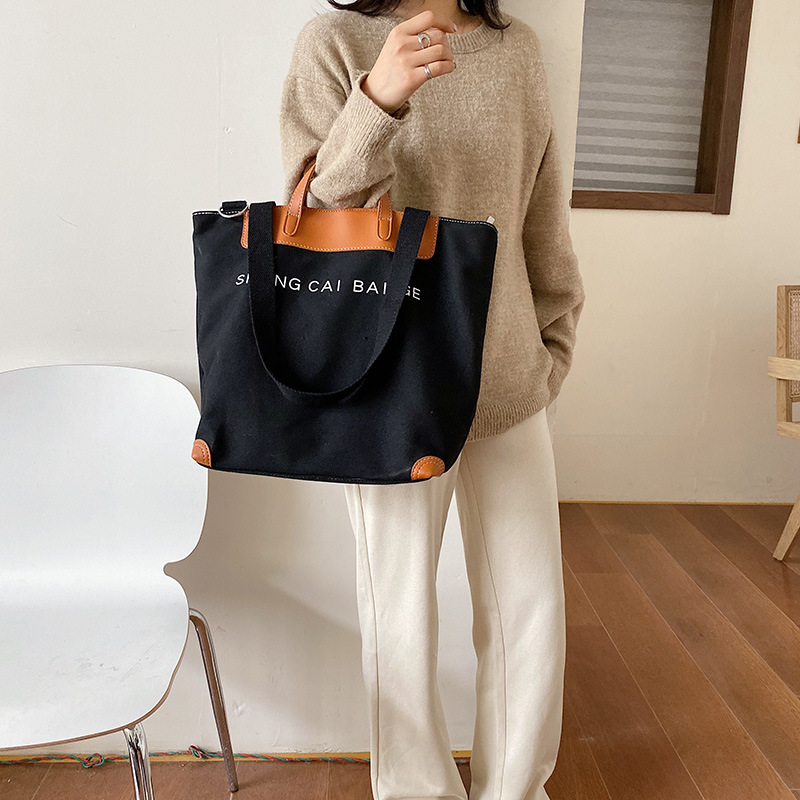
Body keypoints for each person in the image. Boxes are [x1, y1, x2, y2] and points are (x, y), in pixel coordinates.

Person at [279, 2, 586, 799]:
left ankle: (515, 792)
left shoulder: (517, 51)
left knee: (529, 613)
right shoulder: (335, 43)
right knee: (400, 617)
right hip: (388, 387)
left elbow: (540, 214)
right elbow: (316, 221)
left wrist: (552, 343)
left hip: (509, 378)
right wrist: (377, 101)